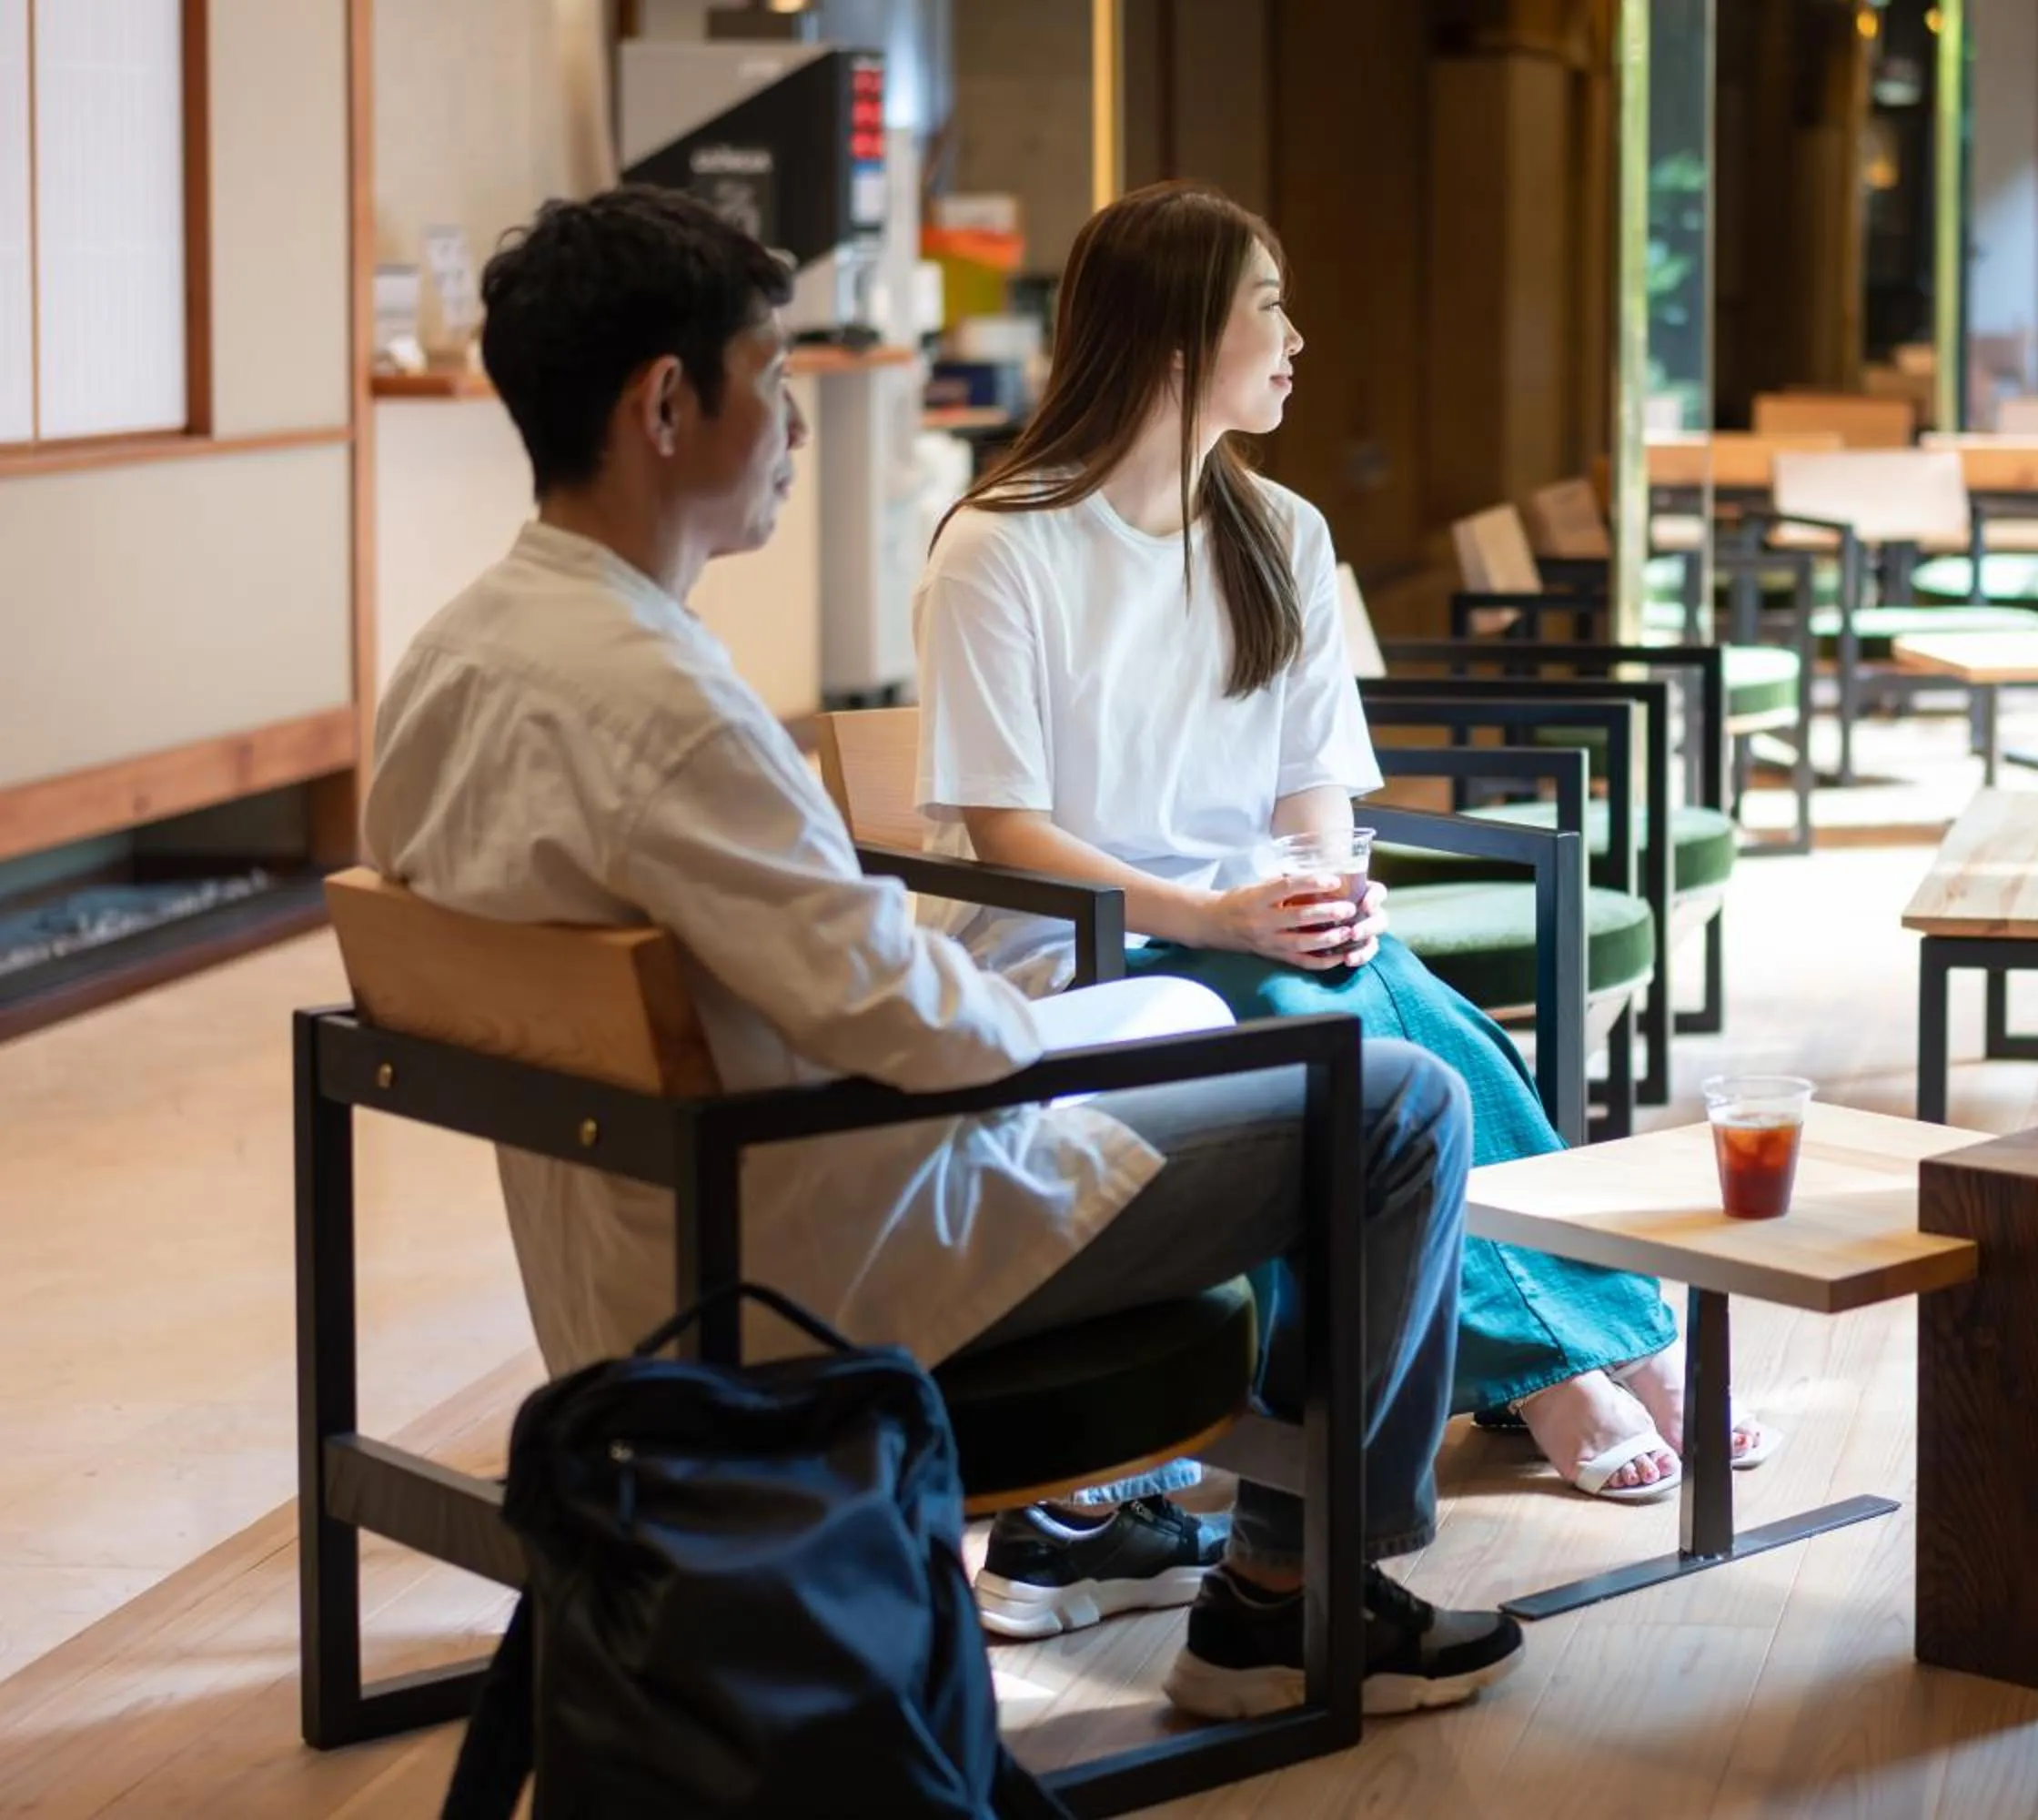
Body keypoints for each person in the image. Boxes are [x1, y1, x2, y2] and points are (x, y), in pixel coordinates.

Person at [358, 186, 1523, 1720]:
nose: (791, 422)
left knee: (1244, 1014)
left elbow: (861, 989)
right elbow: (924, 1036)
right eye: (772, 377)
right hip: (833, 1243)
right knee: (1390, 1107)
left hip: (639, 1233)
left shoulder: (452, 658)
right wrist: (1135, 999)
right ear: (664, 406)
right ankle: (1282, 1599)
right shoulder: (673, 710)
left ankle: (1169, 1530)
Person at [911, 179, 1781, 1623]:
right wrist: (1218, 916)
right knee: (1394, 1040)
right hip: (1079, 956)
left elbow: (1317, 793)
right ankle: (1596, 1361)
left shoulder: (1281, 537)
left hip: (1249, 939)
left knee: (1392, 1009)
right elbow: (1005, 834)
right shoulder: (1003, 545)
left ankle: (1571, 1369)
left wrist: (1319, 889)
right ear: (1180, 342)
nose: (1298, 338)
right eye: (1268, 307)